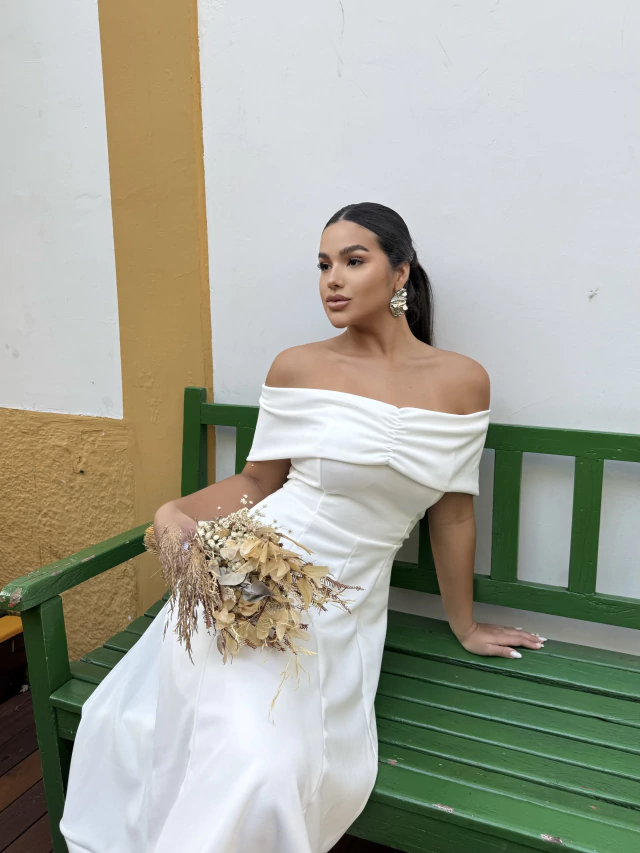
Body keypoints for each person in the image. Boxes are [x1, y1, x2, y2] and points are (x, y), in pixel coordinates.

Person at [59, 202, 545, 853]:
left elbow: (453, 513)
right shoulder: (298, 367)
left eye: (353, 260)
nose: (332, 279)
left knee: (270, 766)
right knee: (242, 752)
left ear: (400, 272)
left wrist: (466, 623)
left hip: (342, 602)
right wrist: (178, 512)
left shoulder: (463, 381)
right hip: (249, 577)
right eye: (322, 265)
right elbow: (259, 482)